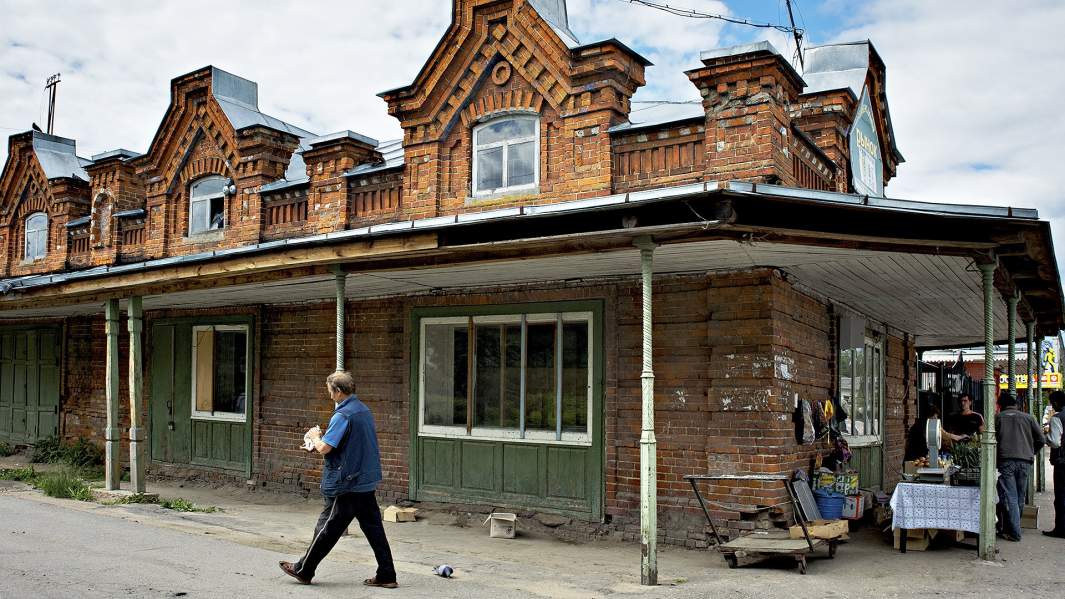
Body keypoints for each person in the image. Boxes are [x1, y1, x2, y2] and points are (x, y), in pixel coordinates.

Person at [279, 371, 398, 588]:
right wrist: (316, 445)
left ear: (338, 391)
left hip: (346, 484)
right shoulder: (363, 409)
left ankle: (303, 570)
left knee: (326, 528)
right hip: (365, 481)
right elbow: (348, 445)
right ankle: (387, 574)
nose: (329, 395)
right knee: (374, 530)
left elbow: (325, 447)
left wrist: (315, 438)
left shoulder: (343, 415)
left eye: (330, 391)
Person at [995, 391, 1046, 542]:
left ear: (1000, 405)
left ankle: (1015, 532)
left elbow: (991, 439)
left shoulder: (998, 418)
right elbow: (1041, 439)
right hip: (1025, 461)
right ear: (1016, 404)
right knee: (1019, 495)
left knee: (1010, 496)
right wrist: (1031, 451)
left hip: (1006, 461)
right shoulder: (1029, 418)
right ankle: (1015, 527)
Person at [1044, 391, 1065, 538]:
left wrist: (1045, 437)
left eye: (1052, 403)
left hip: (1062, 462)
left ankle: (1061, 529)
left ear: (1057, 402)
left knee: (1061, 496)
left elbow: (1055, 442)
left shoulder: (1057, 418)